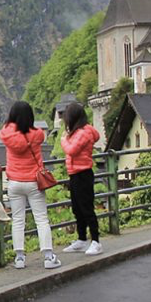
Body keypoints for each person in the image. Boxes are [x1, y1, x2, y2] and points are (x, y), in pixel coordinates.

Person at [0, 100, 60, 269]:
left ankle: (19, 258)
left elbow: (5, 130)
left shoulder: (6, 133)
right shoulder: (38, 134)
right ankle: (48, 257)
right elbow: (40, 135)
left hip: (14, 182)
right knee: (41, 219)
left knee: (18, 220)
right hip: (34, 181)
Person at [59, 102, 102, 255]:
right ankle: (82, 239)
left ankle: (96, 241)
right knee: (78, 209)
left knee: (87, 209)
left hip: (82, 174)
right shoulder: (80, 131)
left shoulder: (83, 133)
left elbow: (71, 150)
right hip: (75, 174)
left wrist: (64, 139)